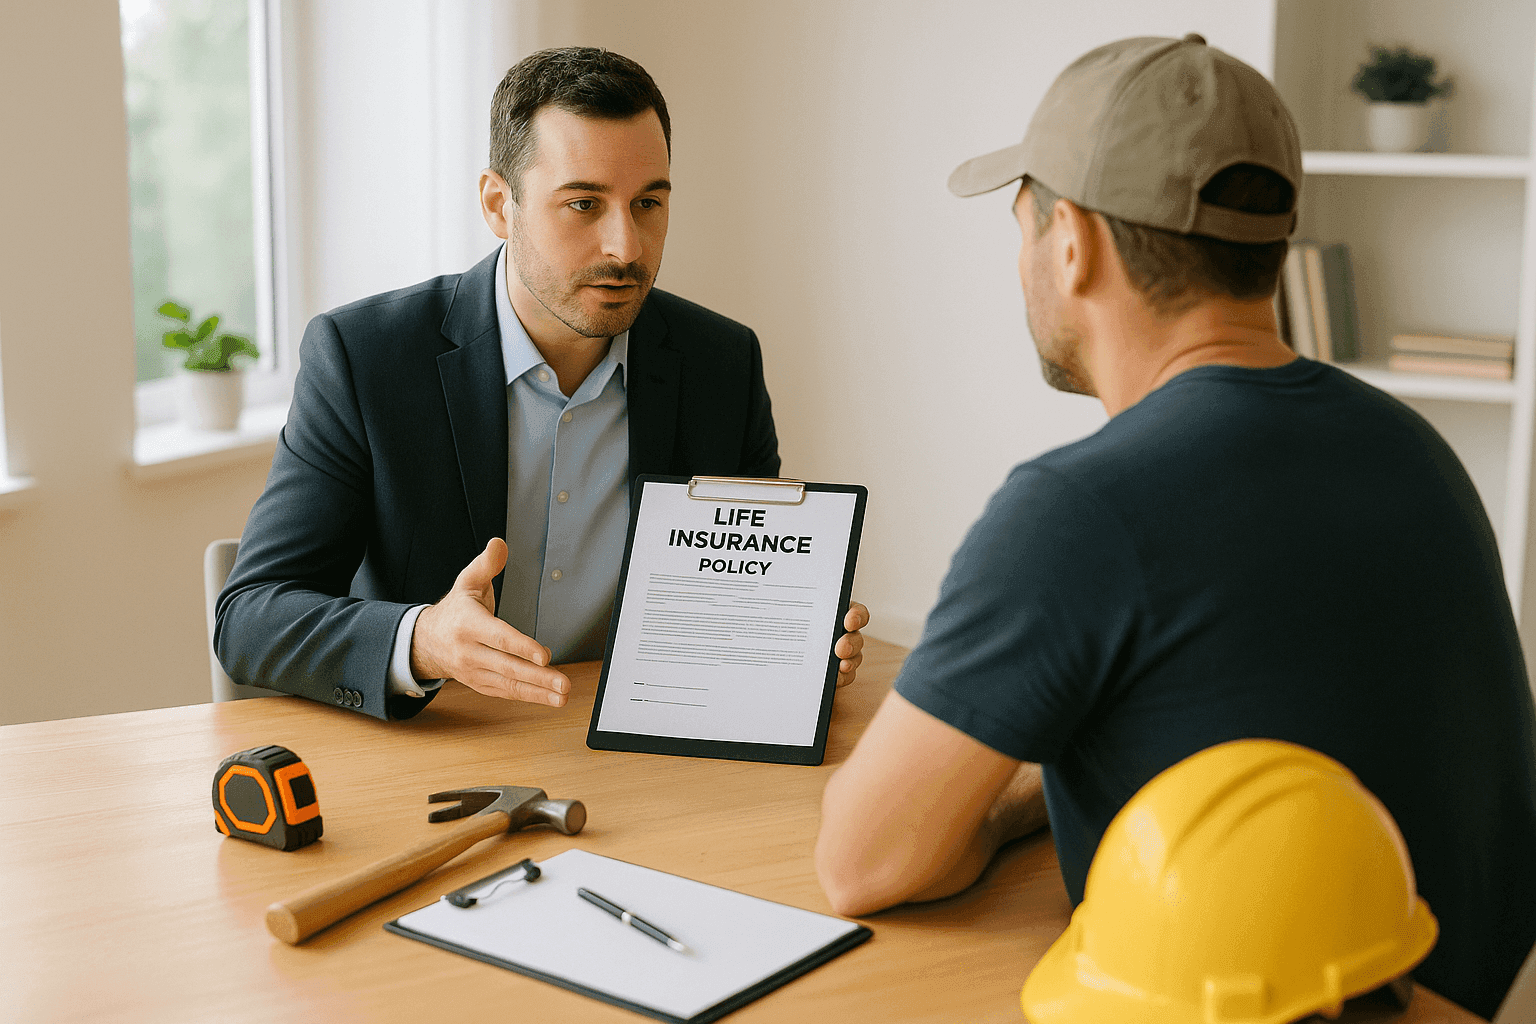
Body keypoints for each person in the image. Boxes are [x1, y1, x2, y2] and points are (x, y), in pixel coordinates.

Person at [813, 33, 1536, 1020]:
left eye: (1023, 222)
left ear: (1074, 244)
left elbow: (861, 862)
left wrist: (997, 810)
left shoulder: (1082, 510)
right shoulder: (1417, 450)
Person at [216, 47, 868, 722]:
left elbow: (740, 599)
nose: (627, 247)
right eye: (583, 204)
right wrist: (422, 641)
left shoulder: (721, 364)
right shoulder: (366, 357)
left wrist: (797, 636)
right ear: (500, 205)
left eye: (648, 203)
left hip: (640, 752)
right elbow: (250, 618)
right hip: (441, 750)